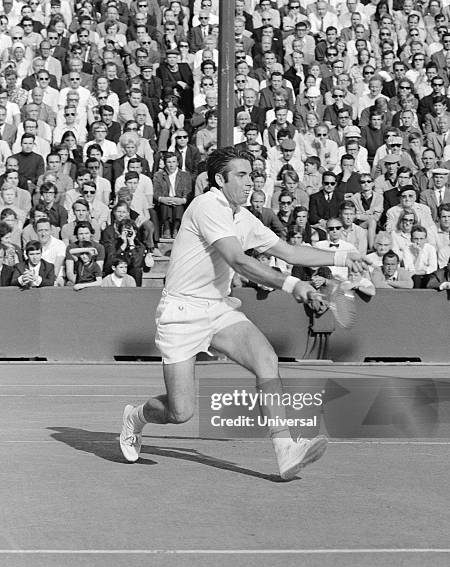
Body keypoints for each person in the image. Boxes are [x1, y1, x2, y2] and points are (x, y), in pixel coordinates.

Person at [119, 147, 368, 481]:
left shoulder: (244, 216)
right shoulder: (207, 205)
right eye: (241, 175)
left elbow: (289, 250)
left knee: (266, 359)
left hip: (218, 308)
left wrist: (340, 259)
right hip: (180, 312)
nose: (250, 181)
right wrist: (294, 285)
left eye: (251, 174)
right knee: (181, 412)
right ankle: (136, 417)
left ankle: (286, 452)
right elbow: (239, 261)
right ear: (220, 179)